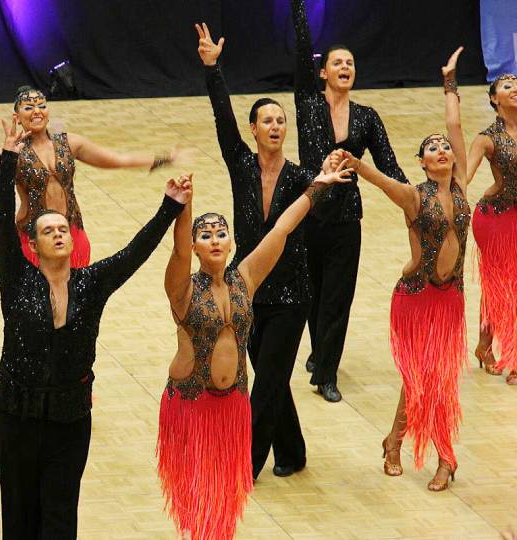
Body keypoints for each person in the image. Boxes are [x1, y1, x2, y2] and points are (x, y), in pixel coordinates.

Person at [0, 116, 189, 539]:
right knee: (19, 518)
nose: (59, 233)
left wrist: (169, 208)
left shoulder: (90, 283)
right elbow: (1, 225)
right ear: (34, 242)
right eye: (48, 230)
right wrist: (8, 156)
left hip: (69, 419)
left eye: (63, 228)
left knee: (61, 519)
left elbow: (133, 254)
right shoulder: (16, 277)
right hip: (16, 418)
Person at [157, 156, 350, 538]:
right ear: (196, 246)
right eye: (205, 235)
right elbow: (177, 252)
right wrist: (185, 204)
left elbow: (282, 228)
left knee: (226, 497)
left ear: (231, 241)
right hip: (190, 402)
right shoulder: (181, 289)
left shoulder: (245, 278)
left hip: (232, 404)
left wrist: (319, 186)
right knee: (198, 496)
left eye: (220, 233)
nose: (214, 239)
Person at [197, 23, 323, 479]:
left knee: (267, 381)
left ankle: (243, 467)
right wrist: (213, 68)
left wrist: (326, 182)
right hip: (247, 294)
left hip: (291, 296)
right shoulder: (242, 166)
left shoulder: (301, 177)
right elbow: (221, 120)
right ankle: (292, 452)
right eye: (266, 120)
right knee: (273, 380)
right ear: (253, 130)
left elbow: (316, 220)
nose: (275, 126)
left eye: (280, 120)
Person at [345, 48, 469, 492]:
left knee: (439, 378)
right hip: (415, 298)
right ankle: (442, 457)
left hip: (450, 299)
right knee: (421, 377)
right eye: (431, 148)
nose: (441, 149)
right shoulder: (415, 197)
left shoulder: (461, 186)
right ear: (421, 161)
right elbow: (382, 181)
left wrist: (449, 81)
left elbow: (455, 126)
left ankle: (396, 441)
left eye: (443, 147)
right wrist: (357, 164)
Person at [290, 0, 408, 402]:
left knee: (338, 297)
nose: (345, 68)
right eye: (338, 63)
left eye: (351, 64)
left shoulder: (367, 117)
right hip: (308, 212)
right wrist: (298, 7)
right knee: (312, 294)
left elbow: (390, 166)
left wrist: (417, 198)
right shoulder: (307, 105)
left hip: (346, 218)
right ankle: (319, 351)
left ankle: (326, 374)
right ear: (323, 72)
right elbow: (302, 51)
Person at [0, 86, 181, 267]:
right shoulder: (12, 154)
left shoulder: (69, 143)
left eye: (42, 106)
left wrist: (163, 159)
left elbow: (117, 159)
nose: (37, 111)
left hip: (71, 232)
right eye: (28, 107)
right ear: (17, 117)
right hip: (34, 237)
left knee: (75, 301)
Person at [467, 73, 517, 385]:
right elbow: (463, 177)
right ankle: (513, 359)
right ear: (494, 99)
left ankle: (484, 345)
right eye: (508, 86)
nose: (515, 89)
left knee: (499, 287)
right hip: (495, 218)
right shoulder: (487, 138)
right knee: (507, 287)